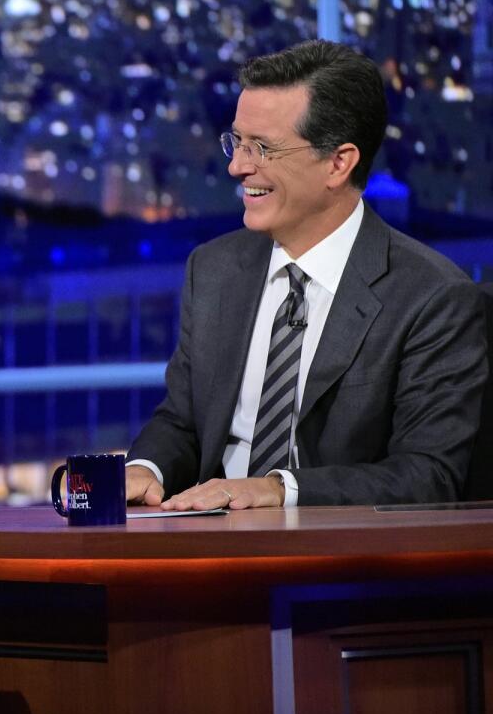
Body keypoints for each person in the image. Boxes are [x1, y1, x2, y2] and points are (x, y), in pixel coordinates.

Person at [126, 40, 488, 511]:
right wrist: (144, 469)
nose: (238, 165)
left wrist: (278, 489)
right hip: (212, 552)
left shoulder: (432, 298)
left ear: (338, 163)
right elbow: (182, 422)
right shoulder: (213, 270)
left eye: (263, 148)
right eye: (237, 141)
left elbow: (427, 476)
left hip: (344, 568)